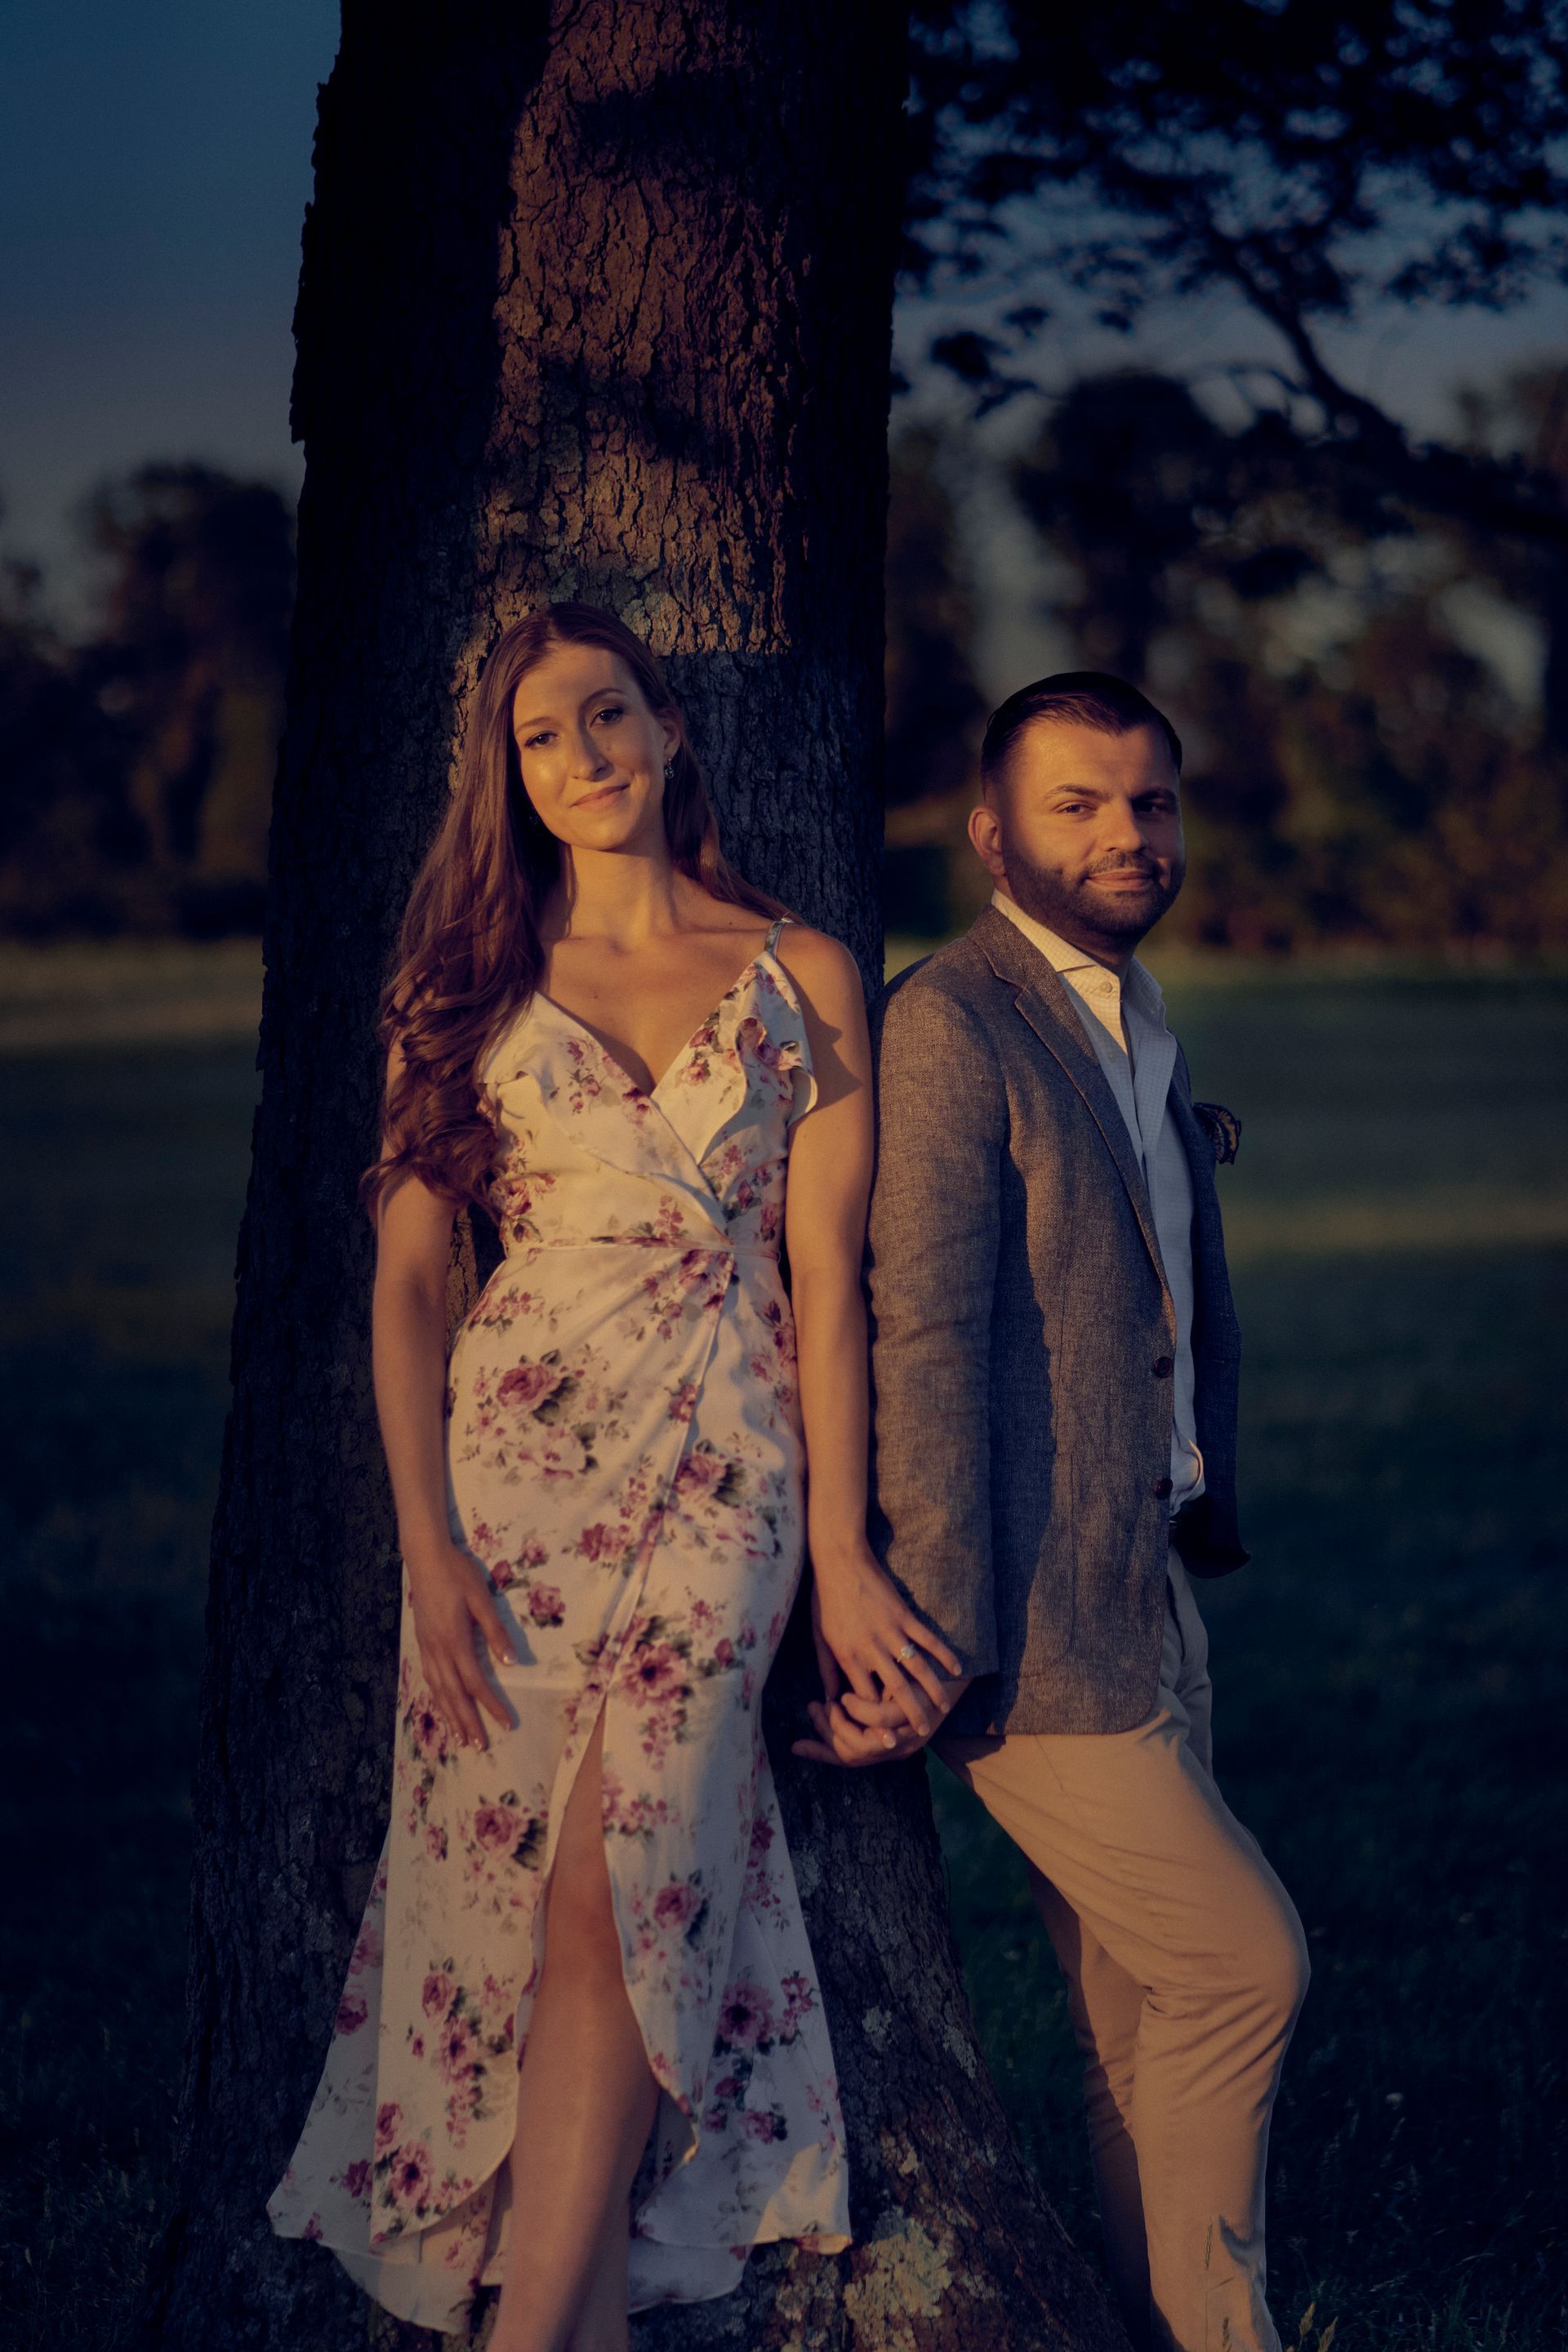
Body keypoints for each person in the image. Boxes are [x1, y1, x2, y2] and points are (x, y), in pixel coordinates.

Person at [267, 603, 958, 2350]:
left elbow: (831, 1285)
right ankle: (573, 2326)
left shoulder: (802, 970)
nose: (582, 758)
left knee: (624, 1872)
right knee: (526, 1901)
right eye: (541, 738)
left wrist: (846, 1551)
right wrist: (423, 1542)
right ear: (509, 778)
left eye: (607, 714)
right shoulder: (463, 980)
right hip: (516, 1480)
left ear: (668, 727)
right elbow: (415, 1281)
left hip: (727, 1462)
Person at [796, 673, 1310, 2352]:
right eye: (1078, 805)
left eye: (1149, 802)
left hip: (1143, 1579)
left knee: (1132, 2015)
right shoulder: (952, 1021)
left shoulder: (1133, 1017)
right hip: (1023, 1617)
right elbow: (923, 1331)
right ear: (993, 830)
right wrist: (924, 1631)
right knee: (1242, 1969)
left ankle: (1152, 2324)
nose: (1124, 835)